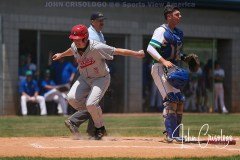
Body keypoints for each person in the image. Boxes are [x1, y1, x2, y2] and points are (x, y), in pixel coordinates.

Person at [52, 24, 144, 140]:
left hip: (101, 78)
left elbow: (118, 51)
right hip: (85, 78)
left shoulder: (97, 47)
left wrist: (137, 54)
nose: (76, 42)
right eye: (73, 39)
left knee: (91, 104)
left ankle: (100, 128)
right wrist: (61, 54)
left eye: (78, 39)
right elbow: (72, 50)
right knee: (71, 98)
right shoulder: (75, 46)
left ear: (85, 38)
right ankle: (94, 110)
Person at [147, 5, 187, 143]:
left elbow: (174, 54)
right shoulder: (161, 30)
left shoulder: (178, 33)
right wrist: (163, 61)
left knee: (179, 100)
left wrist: (184, 58)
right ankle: (170, 135)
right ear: (169, 16)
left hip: (170, 67)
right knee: (171, 99)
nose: (180, 16)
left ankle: (176, 134)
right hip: (159, 67)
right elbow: (150, 48)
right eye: (177, 14)